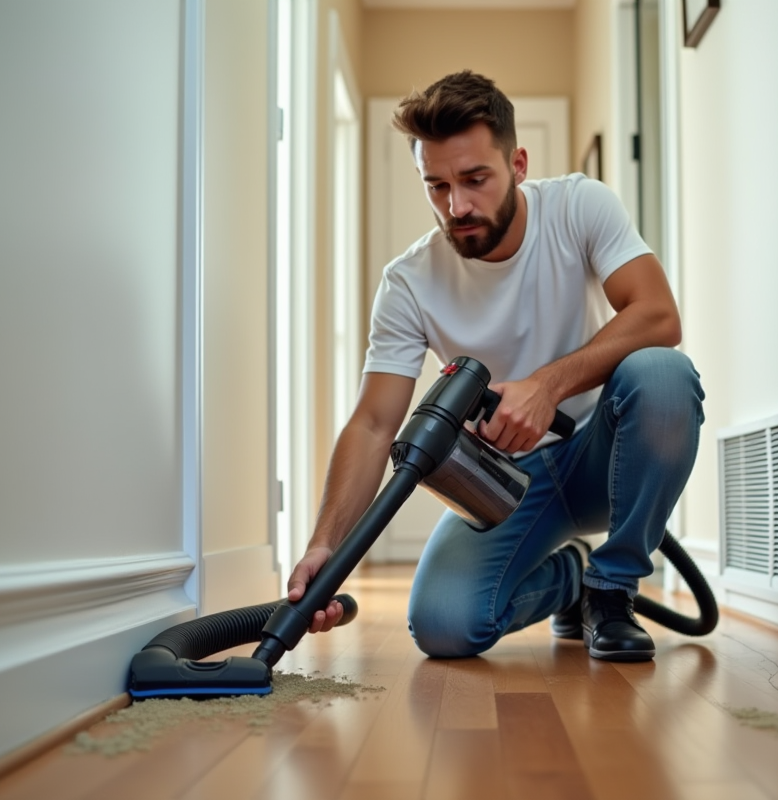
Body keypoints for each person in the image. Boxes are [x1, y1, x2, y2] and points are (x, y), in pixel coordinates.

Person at [285, 70, 704, 662]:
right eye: (436, 186)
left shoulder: (579, 206)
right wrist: (324, 544)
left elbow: (660, 316)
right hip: (504, 485)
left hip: (601, 455)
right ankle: (572, 581)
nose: (456, 206)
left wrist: (546, 386)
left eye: (475, 179)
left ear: (519, 164)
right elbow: (375, 424)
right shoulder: (409, 283)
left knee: (663, 374)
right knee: (443, 625)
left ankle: (612, 589)